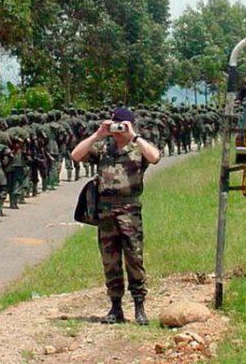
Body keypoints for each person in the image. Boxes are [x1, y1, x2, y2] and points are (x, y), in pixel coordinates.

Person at [71, 107, 161, 326]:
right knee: (110, 260)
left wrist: (134, 136)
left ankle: (139, 306)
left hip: (129, 209)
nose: (117, 129)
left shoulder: (137, 149)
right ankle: (115, 307)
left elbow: (155, 157)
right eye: (114, 124)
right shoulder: (103, 148)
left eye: (121, 125)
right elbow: (75, 155)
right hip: (106, 211)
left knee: (134, 259)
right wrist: (97, 135)